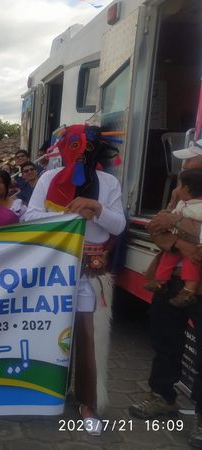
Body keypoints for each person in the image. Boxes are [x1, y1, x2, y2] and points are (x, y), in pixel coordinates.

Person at [24, 124, 126, 436]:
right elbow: (30, 216)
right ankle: (42, 390)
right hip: (53, 267)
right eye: (74, 148)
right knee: (47, 329)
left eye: (87, 149)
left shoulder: (108, 182)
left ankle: (88, 402)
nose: (81, 155)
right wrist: (70, 216)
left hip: (91, 271)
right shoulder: (48, 179)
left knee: (89, 335)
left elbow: (118, 226)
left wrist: (97, 209)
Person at [129, 138, 202, 448]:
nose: (184, 166)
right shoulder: (180, 200)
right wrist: (180, 239)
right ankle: (162, 397)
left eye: (190, 161)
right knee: (164, 340)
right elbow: (157, 232)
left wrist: (177, 230)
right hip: (171, 281)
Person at [144, 168, 202, 307]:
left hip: (195, 251)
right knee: (167, 258)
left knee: (191, 264)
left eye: (179, 185)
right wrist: (179, 244)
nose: (176, 189)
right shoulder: (181, 202)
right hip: (174, 275)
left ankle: (188, 292)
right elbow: (156, 228)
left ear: (187, 188)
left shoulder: (199, 207)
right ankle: (160, 282)